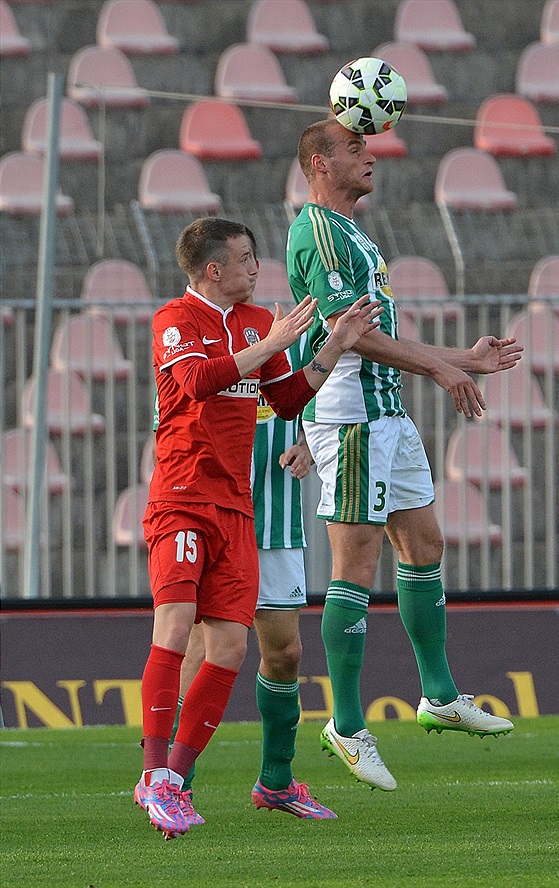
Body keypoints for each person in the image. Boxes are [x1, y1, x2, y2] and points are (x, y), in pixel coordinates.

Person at [286, 119, 524, 792]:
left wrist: (463, 358)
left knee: (425, 544)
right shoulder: (320, 231)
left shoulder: (355, 233)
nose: (371, 155)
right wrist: (444, 373)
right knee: (356, 563)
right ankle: (347, 723)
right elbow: (351, 340)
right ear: (319, 164)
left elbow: (381, 336)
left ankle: (439, 694)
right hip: (352, 416)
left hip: (386, 413)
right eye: (355, 148)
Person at [134, 216, 381, 839]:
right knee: (175, 624)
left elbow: (290, 398)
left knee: (233, 648)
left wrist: (335, 346)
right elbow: (193, 383)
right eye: (246, 258)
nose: (256, 267)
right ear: (213, 268)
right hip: (183, 499)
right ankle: (154, 773)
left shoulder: (250, 325)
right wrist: (272, 343)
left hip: (236, 506)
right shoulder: (175, 320)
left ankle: (177, 781)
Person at [170, 332, 337, 820]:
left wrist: (311, 440)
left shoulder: (297, 343)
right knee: (200, 650)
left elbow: (325, 401)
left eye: (254, 259)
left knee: (286, 653)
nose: (252, 270)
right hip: (218, 517)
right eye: (243, 258)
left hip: (276, 518)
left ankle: (276, 782)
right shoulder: (198, 346)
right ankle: (176, 783)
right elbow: (175, 422)